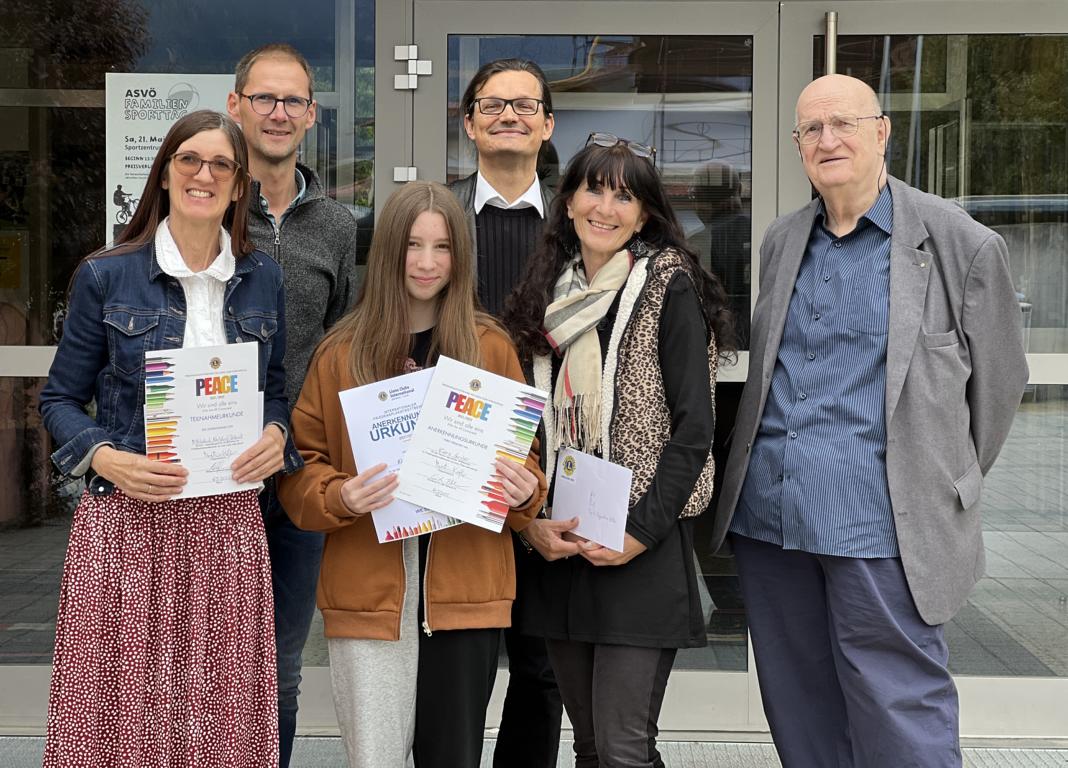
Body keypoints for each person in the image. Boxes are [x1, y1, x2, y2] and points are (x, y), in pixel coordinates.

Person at [711, 74, 1029, 767]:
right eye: (812, 130)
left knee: (899, 712)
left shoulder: (961, 245)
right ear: (797, 147)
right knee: (801, 710)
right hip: (773, 523)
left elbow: (999, 391)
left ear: (882, 132)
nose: (828, 141)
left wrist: (936, 478)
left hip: (882, 530)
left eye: (844, 124)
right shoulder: (783, 239)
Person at [38, 109, 298, 767]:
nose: (203, 175)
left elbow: (277, 390)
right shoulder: (106, 275)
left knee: (217, 715)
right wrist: (106, 457)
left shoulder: (262, 276)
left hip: (226, 526)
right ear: (166, 172)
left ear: (240, 185)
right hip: (129, 518)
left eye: (221, 165)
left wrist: (276, 431)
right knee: (121, 716)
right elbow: (59, 400)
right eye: (190, 159)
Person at [277, 181, 547, 768]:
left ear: (461, 257)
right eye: (413, 245)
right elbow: (298, 474)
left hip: (465, 594)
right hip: (369, 597)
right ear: (387, 251)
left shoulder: (490, 346)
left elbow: (524, 465)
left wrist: (526, 492)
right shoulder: (340, 352)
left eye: (443, 247)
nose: (427, 263)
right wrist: (342, 494)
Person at [503, 136, 736, 768]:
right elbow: (525, 426)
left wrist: (637, 533)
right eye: (594, 188)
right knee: (591, 747)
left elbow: (694, 431)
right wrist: (531, 529)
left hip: (640, 547)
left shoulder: (668, 288)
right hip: (565, 544)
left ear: (646, 214)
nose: (606, 207)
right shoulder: (547, 293)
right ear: (570, 200)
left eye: (625, 195)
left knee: (626, 748)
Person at [227, 43, 358, 768]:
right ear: (235, 104)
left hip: (299, 469)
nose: (279, 113)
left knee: (280, 660)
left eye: (293, 101)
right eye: (265, 98)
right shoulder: (201, 204)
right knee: (205, 652)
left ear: (311, 116)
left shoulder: (337, 225)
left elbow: (342, 342)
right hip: (212, 466)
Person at [447, 58, 564, 768]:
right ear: (468, 124)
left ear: (548, 125)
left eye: (526, 106)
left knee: (542, 664)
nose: (509, 116)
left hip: (552, 466)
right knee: (457, 662)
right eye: (493, 105)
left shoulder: (582, 220)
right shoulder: (438, 213)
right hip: (455, 456)